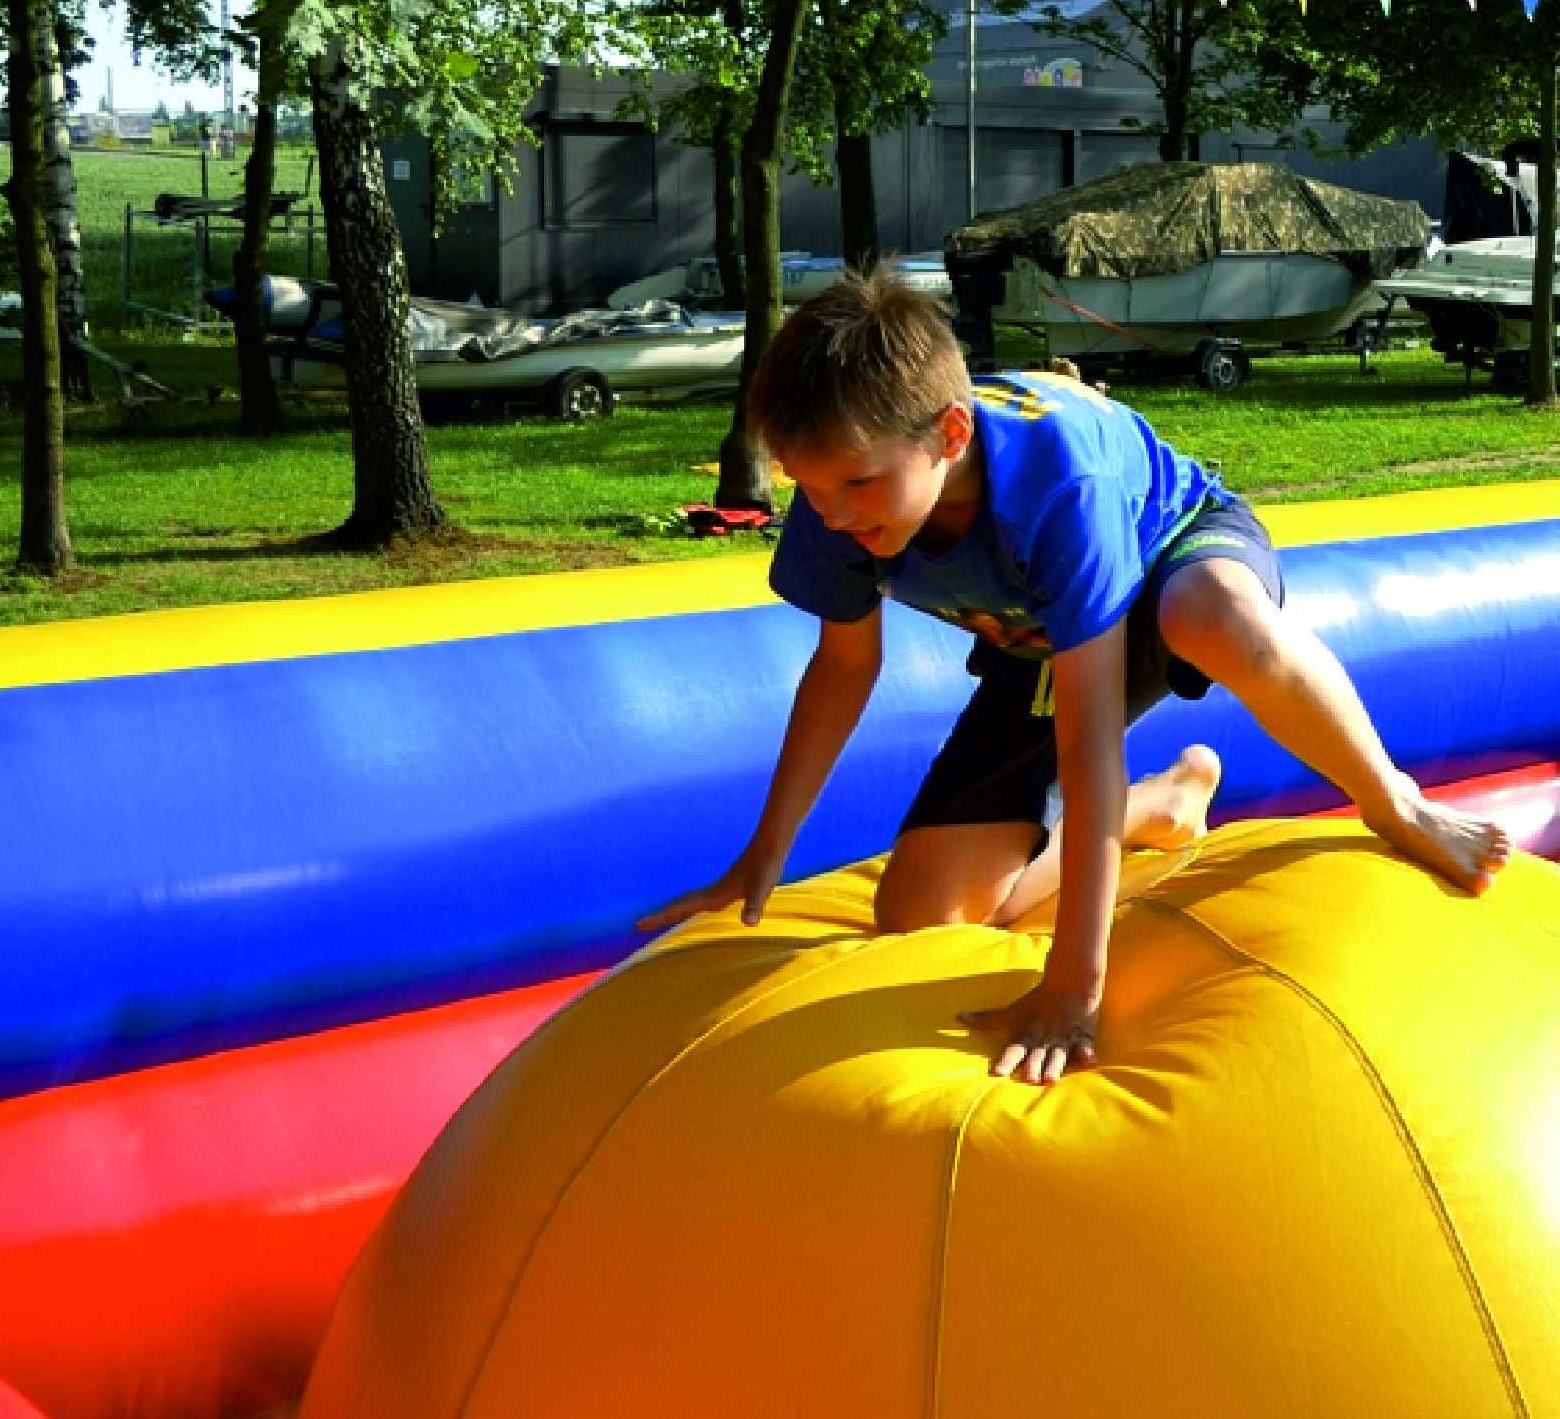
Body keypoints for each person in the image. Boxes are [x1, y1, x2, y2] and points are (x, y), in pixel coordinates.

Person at [641, 272, 1509, 1086]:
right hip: (1042, 634)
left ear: (949, 434)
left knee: (1212, 615)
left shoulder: (1058, 486)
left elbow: (1087, 742)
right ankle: (1164, 803)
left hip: (1171, 553)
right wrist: (764, 853)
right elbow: (842, 669)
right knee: (920, 914)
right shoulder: (843, 500)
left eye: (855, 485)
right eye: (809, 488)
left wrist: (1075, 982)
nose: (831, 514)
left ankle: (1391, 794)